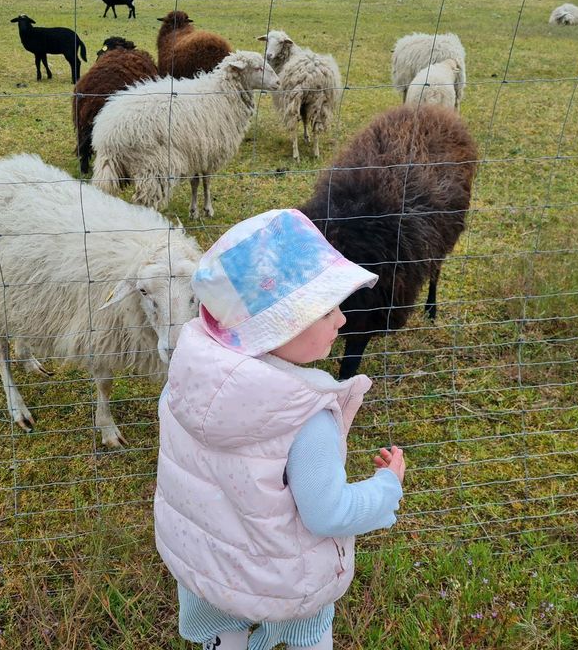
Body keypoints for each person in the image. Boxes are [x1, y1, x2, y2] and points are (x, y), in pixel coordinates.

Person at [155, 208, 407, 650]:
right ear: (282, 324)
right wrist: (386, 487)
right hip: (281, 581)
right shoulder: (305, 419)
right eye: (327, 308)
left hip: (206, 568)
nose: (342, 320)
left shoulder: (185, 383)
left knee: (223, 637)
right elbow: (327, 513)